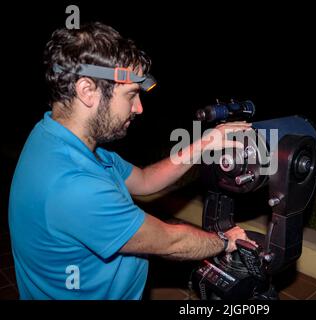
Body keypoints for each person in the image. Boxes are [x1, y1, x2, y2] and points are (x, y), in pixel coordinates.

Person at [8, 22, 254, 299]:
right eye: (131, 95)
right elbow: (172, 242)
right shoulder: (72, 185)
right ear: (87, 90)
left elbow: (145, 180)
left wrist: (206, 142)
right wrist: (225, 241)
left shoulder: (57, 137)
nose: (138, 108)